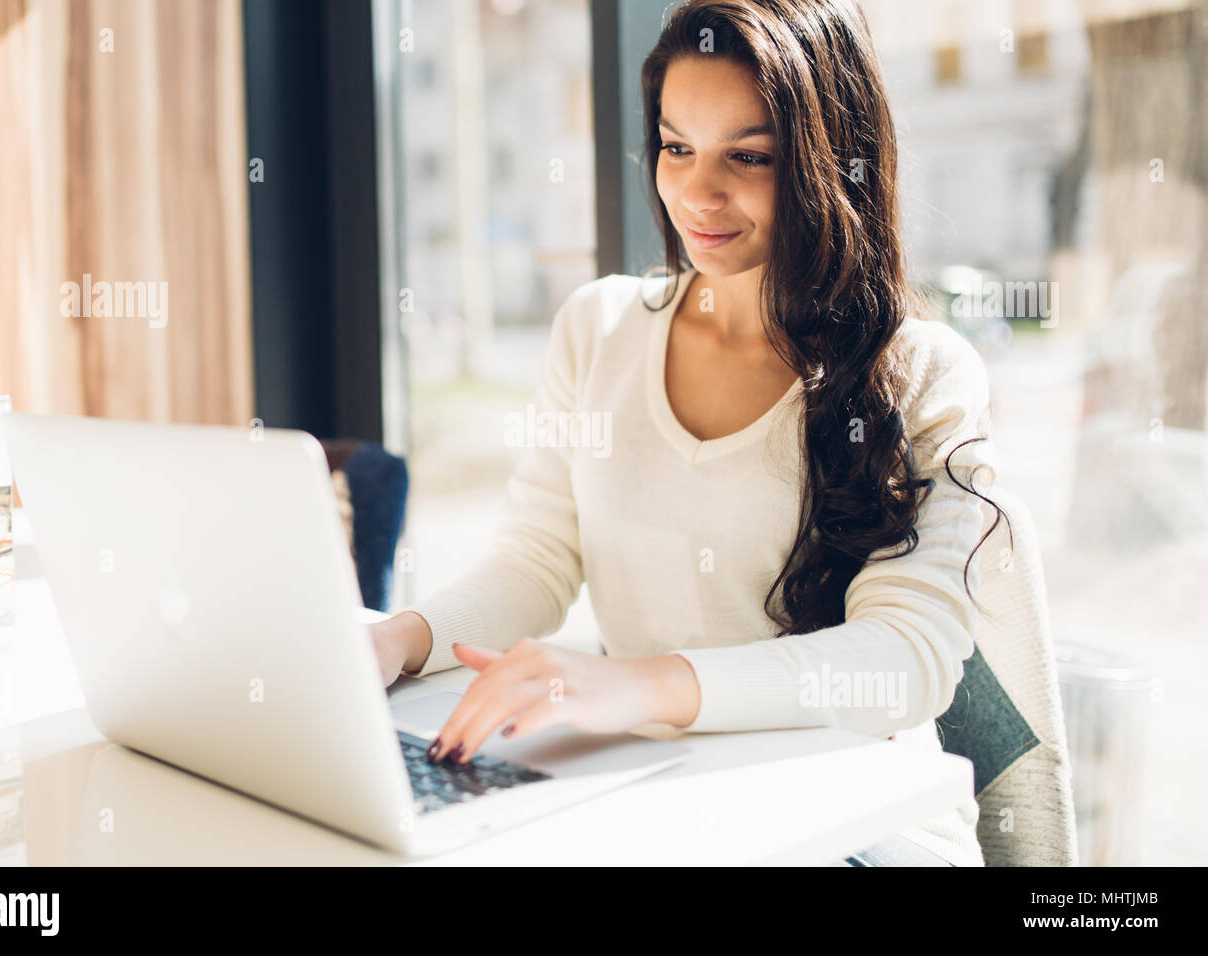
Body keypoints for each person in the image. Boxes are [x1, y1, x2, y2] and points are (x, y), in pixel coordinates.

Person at [370, 0, 1008, 867]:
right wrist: (393, 642)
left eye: (748, 157)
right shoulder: (597, 329)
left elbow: (904, 660)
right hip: (661, 800)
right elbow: (536, 561)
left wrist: (634, 686)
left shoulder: (925, 372)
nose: (697, 194)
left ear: (834, 162)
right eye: (677, 147)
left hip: (863, 830)